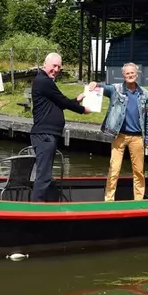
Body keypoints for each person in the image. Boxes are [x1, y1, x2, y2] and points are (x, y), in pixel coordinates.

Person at [87, 63, 148, 201]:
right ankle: (109, 200)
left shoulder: (145, 94)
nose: (130, 76)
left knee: (139, 171)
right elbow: (103, 88)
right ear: (124, 75)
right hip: (119, 136)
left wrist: (147, 138)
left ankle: (138, 200)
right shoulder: (116, 90)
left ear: (137, 74)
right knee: (114, 169)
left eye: (132, 73)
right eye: (127, 73)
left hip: (137, 137)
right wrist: (95, 84)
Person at [30, 52, 90, 202]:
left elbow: (58, 103)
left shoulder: (45, 82)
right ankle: (36, 209)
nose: (56, 69)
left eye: (59, 67)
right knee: (43, 175)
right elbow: (62, 101)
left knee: (46, 174)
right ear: (45, 64)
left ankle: (43, 204)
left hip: (48, 135)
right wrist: (82, 110)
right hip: (44, 135)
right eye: (53, 66)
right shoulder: (43, 81)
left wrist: (77, 99)